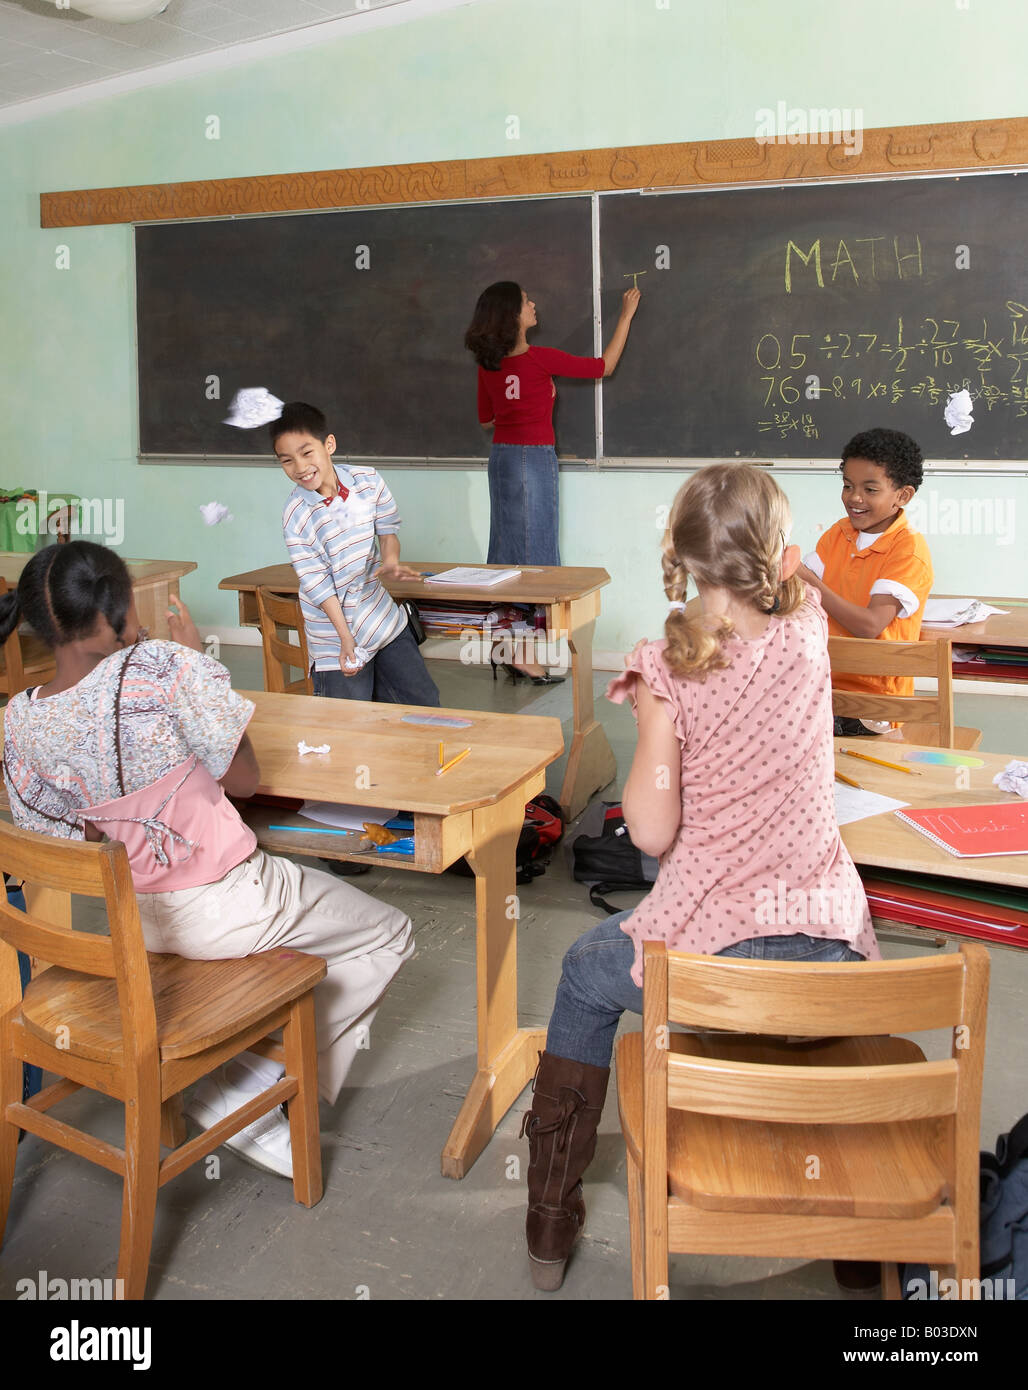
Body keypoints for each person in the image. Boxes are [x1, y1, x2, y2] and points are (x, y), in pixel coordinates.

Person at [519, 464, 880, 1292]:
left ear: (677, 556)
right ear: (783, 557)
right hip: (832, 963)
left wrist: (654, 709)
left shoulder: (663, 669)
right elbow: (778, 608)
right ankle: (860, 1245)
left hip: (716, 968)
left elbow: (648, 832)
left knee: (583, 973)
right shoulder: (809, 629)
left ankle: (548, 1212)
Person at [1, 541, 415, 1178]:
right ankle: (247, 1087)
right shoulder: (164, 668)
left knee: (284, 930)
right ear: (116, 612)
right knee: (390, 933)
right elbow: (245, 781)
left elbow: (63, 840)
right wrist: (196, 662)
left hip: (132, 925)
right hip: (229, 905)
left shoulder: (18, 724)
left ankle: (246, 1069)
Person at [464, 282, 640, 680]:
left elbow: (486, 420)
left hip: (502, 459)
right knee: (534, 559)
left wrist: (527, 400)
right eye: (526, 301)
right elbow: (604, 366)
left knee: (507, 553)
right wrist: (626, 315)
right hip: (532, 459)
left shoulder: (489, 366)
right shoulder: (541, 359)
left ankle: (504, 645)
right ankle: (522, 654)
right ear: (513, 316)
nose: (533, 304)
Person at [274, 401, 440, 706]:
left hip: (380, 618)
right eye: (287, 460)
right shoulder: (296, 515)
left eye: (306, 452)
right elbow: (318, 585)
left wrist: (390, 561)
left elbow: (388, 530)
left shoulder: (368, 481)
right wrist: (344, 637)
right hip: (333, 631)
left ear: (329, 445)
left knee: (424, 704)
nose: (299, 467)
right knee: (349, 726)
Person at [797, 427, 933, 737]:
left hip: (874, 707)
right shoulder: (838, 533)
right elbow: (800, 595)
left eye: (870, 490)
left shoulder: (907, 549)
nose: (854, 498)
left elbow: (870, 626)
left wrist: (809, 582)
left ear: (903, 495)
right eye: (847, 486)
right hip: (823, 687)